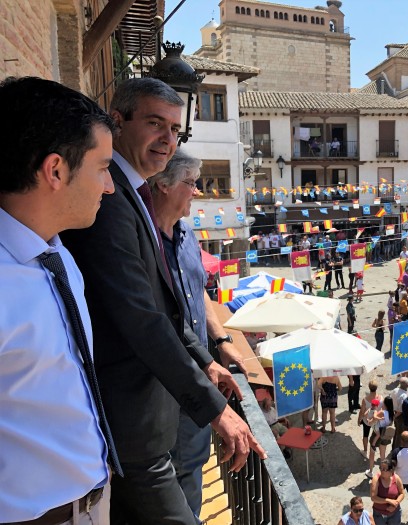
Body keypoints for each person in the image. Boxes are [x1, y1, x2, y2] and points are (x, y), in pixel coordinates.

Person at [61, 77, 266, 523]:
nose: (168, 140)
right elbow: (142, 318)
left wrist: (206, 359)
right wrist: (217, 411)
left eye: (175, 130)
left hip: (147, 421)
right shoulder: (110, 196)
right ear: (117, 121)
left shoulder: (129, 192)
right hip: (130, 425)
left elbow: (165, 306)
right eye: (156, 124)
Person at [0, 76, 116, 523]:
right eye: (102, 168)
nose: (109, 187)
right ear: (55, 170)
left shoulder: (57, 254)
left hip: (89, 503)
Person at [150, 149, 249, 522]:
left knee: (191, 466)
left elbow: (200, 293)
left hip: (202, 377)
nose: (198, 192)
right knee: (167, 477)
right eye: (191, 183)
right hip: (167, 384)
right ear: (162, 184)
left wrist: (222, 341)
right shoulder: (145, 242)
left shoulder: (188, 233)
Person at [366, 397, 395, 479]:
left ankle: (371, 472)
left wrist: (369, 420)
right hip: (385, 434)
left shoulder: (382, 412)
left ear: (385, 404)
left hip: (377, 434)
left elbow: (372, 421)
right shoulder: (391, 413)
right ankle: (384, 472)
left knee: (372, 453)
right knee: (383, 455)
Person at [370, 459, 405, 525]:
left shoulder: (396, 478)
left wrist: (396, 503)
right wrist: (388, 501)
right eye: (381, 468)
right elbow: (373, 498)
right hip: (379, 514)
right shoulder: (376, 479)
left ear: (391, 470)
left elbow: (402, 493)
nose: (381, 471)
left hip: (394, 514)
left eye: (384, 469)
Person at [358, 381, 382, 458]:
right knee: (376, 434)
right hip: (376, 420)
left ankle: (365, 451)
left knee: (365, 435)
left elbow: (362, 411)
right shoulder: (381, 398)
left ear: (369, 388)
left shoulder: (365, 399)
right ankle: (374, 447)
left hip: (367, 421)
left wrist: (359, 419)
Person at [391, 377, 408, 448]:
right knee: (399, 434)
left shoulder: (395, 390)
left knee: (396, 432)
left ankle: (394, 447)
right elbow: (400, 410)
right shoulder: (404, 396)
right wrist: (395, 416)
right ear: (407, 385)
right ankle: (396, 450)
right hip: (400, 416)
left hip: (394, 412)